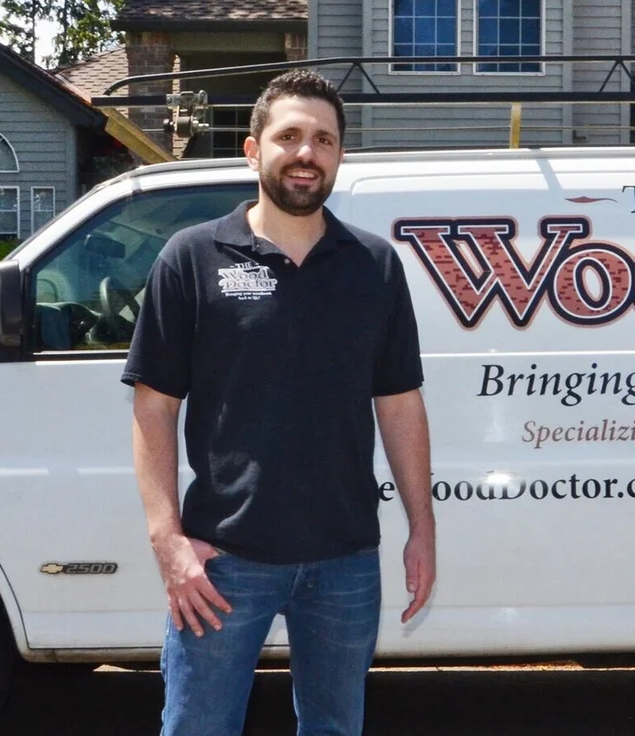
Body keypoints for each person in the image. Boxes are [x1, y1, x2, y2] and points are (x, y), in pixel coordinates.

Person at [123, 69, 435, 736]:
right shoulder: (192, 258)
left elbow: (400, 404)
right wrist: (167, 540)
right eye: (289, 136)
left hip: (346, 560)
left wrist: (422, 528)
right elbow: (154, 407)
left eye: (323, 140)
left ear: (340, 155)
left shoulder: (374, 266)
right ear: (253, 149)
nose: (306, 153)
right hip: (223, 560)